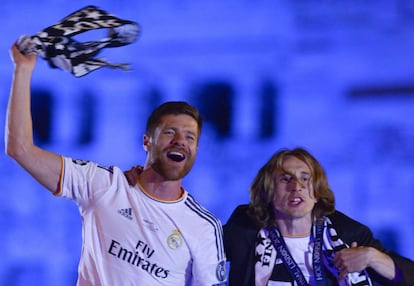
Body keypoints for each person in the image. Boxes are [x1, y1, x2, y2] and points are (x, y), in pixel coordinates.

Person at [5, 40, 227, 286]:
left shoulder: (204, 227)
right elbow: (21, 149)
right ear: (147, 141)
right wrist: (22, 71)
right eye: (169, 133)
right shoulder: (101, 184)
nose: (180, 142)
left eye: (190, 137)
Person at [223, 147, 414, 285]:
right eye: (285, 179)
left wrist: (372, 257)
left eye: (305, 179)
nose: (296, 186)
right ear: (267, 192)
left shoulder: (348, 233)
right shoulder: (244, 227)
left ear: (316, 192)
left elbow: (409, 276)